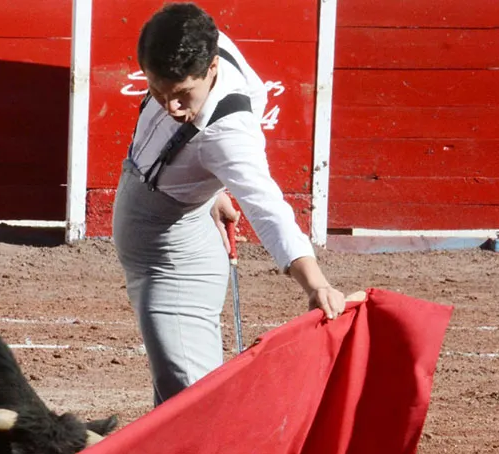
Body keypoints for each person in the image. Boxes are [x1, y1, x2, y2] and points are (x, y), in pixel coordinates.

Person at [113, 2, 345, 405]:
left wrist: (315, 283)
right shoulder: (207, 44)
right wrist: (213, 186)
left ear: (213, 68)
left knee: (190, 403)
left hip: (172, 261)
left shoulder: (228, 134)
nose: (171, 108)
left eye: (183, 94)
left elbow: (266, 206)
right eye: (157, 92)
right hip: (179, 235)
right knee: (179, 388)